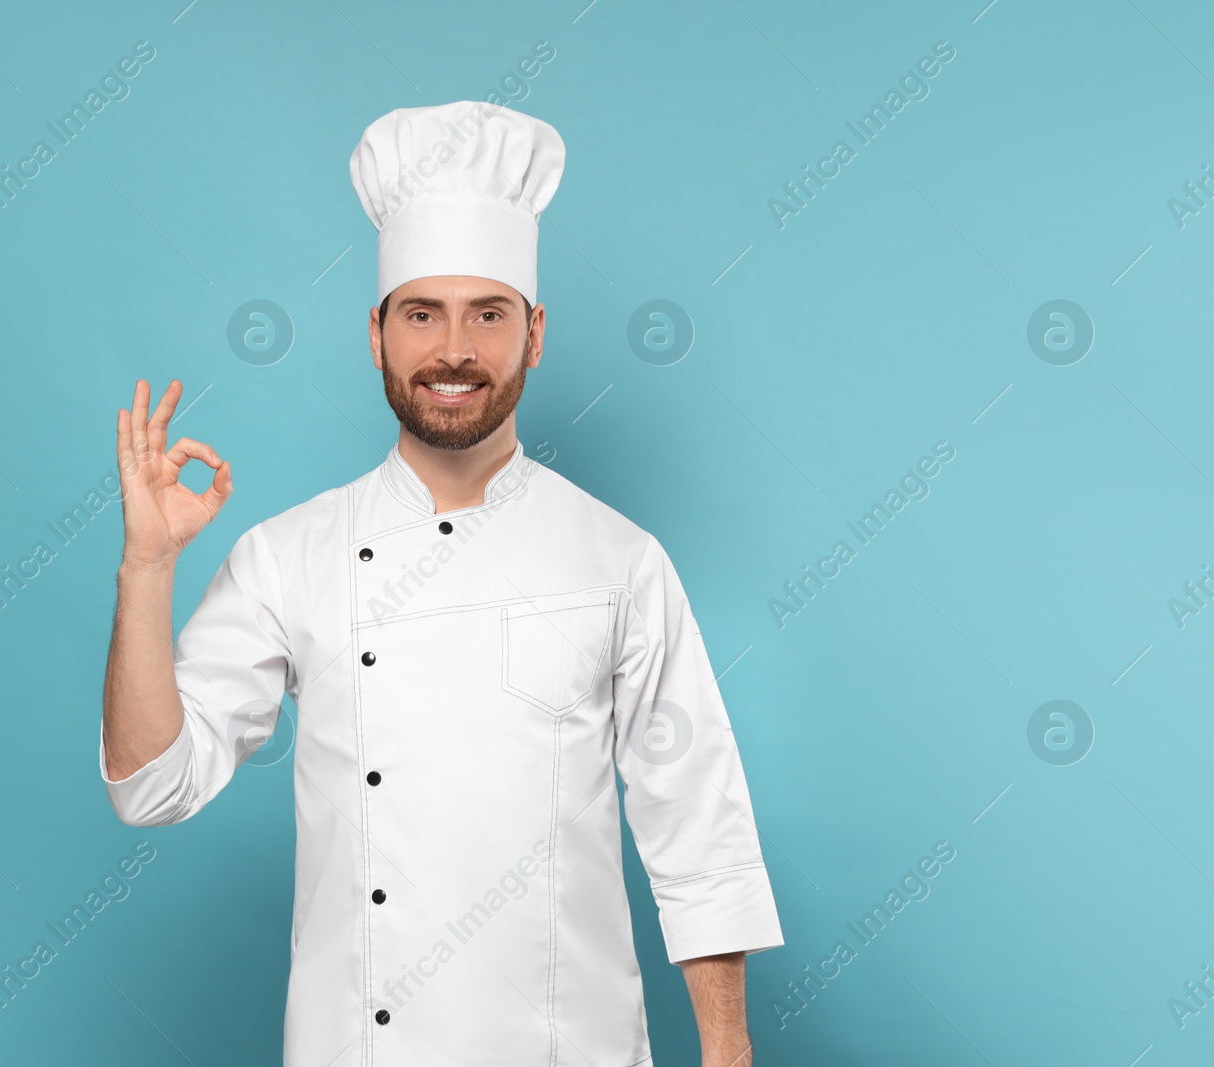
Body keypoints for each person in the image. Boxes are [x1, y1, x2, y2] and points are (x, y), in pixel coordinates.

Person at [100, 99, 783, 1066]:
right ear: (376, 333)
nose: (454, 350)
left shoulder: (620, 560)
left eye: (487, 314)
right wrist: (147, 569)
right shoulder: (287, 556)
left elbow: (698, 817)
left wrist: (728, 1050)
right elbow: (152, 786)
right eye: (422, 314)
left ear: (535, 333)